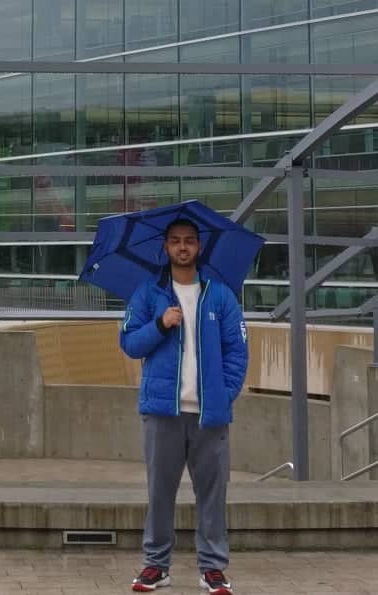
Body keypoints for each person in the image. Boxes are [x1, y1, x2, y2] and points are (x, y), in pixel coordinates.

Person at [118, 217, 248, 594]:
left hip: (209, 415)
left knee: (212, 495)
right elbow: (130, 343)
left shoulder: (220, 296)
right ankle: (156, 565)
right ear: (166, 246)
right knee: (160, 493)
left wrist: (223, 394)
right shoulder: (149, 293)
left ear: (199, 246)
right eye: (175, 241)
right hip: (163, 412)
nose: (182, 247)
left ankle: (212, 568)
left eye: (189, 240)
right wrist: (161, 324)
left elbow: (237, 351)